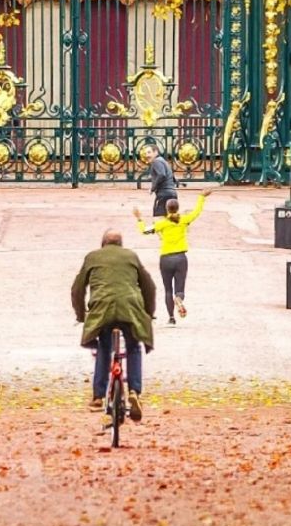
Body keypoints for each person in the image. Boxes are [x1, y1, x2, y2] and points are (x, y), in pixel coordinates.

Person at [71, 229, 156, 421]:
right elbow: (149, 286)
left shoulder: (92, 257)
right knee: (134, 347)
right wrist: (149, 314)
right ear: (121, 244)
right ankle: (135, 391)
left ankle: (98, 396)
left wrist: (81, 315)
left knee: (104, 347)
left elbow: (77, 289)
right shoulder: (131, 256)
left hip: (102, 310)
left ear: (103, 243)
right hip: (130, 309)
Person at [134, 188, 215, 325]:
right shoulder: (184, 220)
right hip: (181, 257)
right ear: (178, 208)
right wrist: (202, 197)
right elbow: (196, 212)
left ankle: (171, 318)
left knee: (167, 289)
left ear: (166, 209)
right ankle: (179, 298)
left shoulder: (162, 224)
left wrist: (139, 219)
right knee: (180, 287)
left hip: (166, 258)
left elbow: (144, 231)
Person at [140, 143, 179, 218]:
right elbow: (171, 176)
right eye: (145, 153)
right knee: (171, 219)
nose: (147, 155)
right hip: (172, 193)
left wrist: (152, 188)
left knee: (158, 218)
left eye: (149, 152)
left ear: (156, 152)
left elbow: (161, 175)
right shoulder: (163, 161)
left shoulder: (156, 161)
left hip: (164, 194)